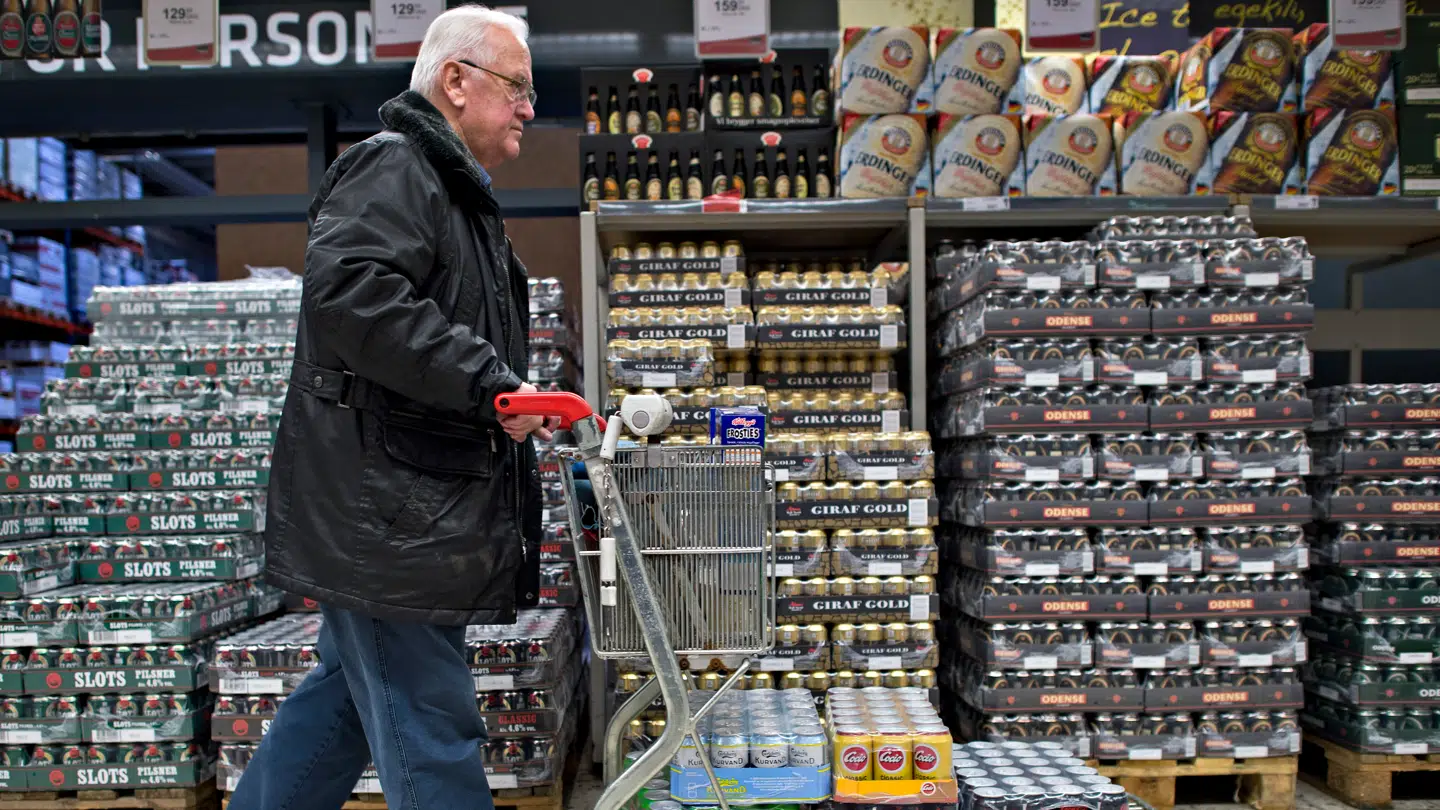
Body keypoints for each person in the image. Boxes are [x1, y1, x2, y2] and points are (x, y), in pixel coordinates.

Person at [229, 6, 557, 810]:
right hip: (390, 519)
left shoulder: (449, 192)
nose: (528, 109)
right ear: (455, 81)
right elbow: (353, 297)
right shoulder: (398, 167)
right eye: (517, 87)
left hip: (407, 513)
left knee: (340, 705)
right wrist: (493, 387)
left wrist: (503, 398)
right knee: (432, 734)